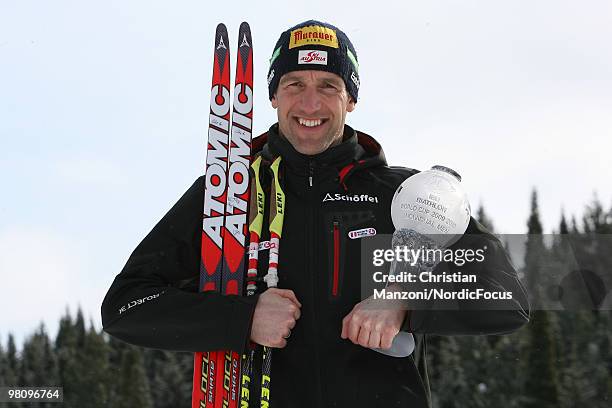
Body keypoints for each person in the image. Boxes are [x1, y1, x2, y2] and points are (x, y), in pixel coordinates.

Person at [101, 20, 529, 407]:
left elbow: (507, 300)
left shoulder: (404, 196)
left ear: (352, 99)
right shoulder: (228, 192)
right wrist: (243, 318)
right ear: (272, 96)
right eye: (293, 85)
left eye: (328, 85)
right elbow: (126, 307)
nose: (310, 104)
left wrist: (403, 302)